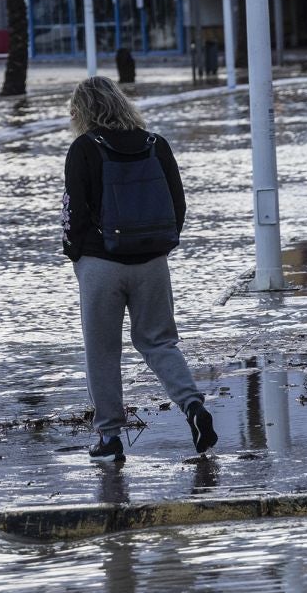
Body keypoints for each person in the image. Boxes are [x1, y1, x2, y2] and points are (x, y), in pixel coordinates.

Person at [61, 76, 218, 462]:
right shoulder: (155, 144)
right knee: (159, 342)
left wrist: (77, 255)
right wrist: (159, 245)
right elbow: (177, 205)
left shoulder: (84, 149)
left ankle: (110, 439)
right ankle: (193, 407)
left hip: (101, 263)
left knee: (102, 350)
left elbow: (73, 213)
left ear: (81, 111)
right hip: (152, 263)